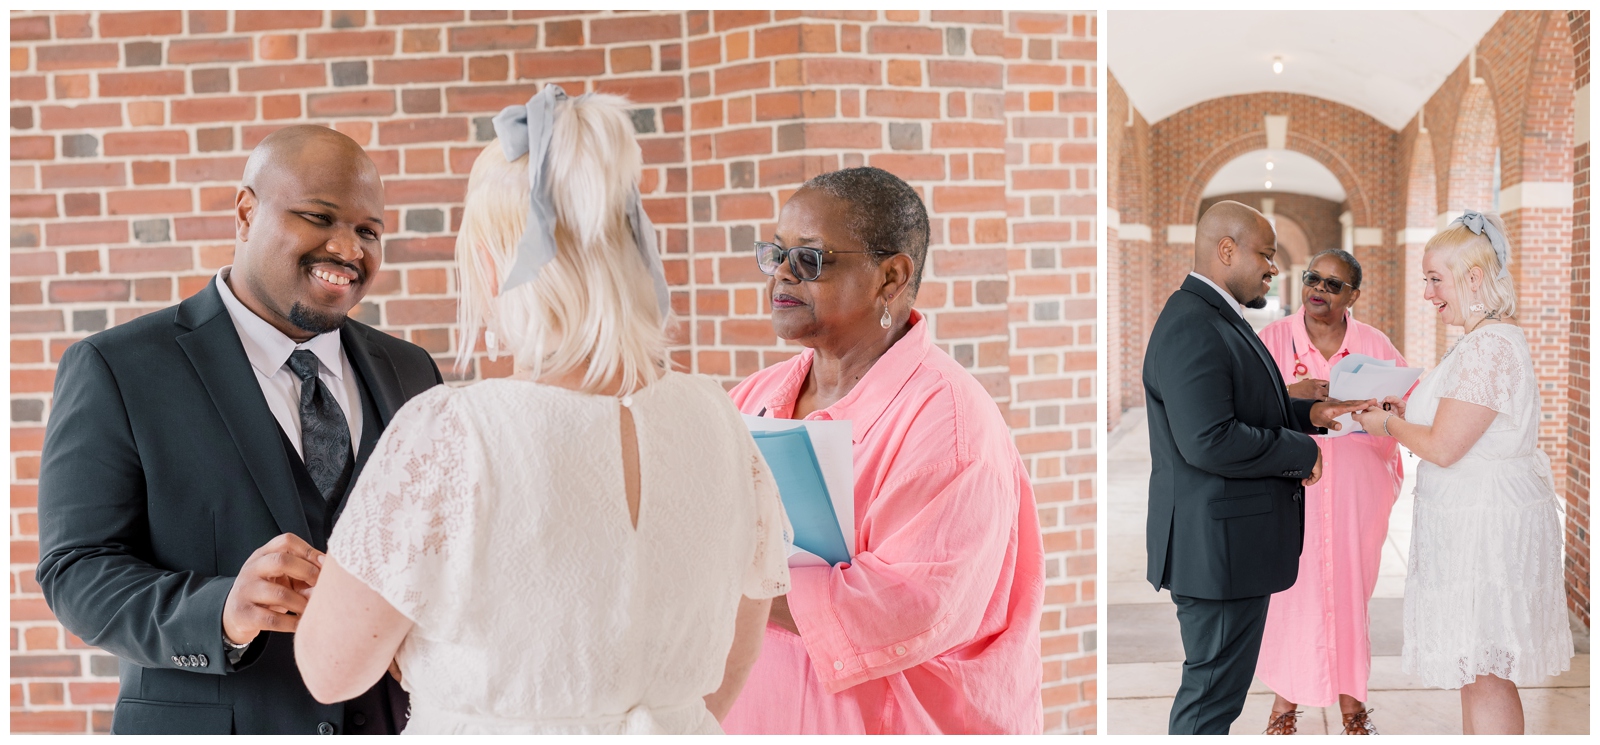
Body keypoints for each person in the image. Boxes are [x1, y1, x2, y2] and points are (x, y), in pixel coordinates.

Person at [292, 86, 790, 734]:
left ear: (496, 265)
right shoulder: (721, 421)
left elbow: (332, 669)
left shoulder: (454, 432)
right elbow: (727, 667)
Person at [35, 125, 441, 734]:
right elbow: (76, 569)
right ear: (247, 212)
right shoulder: (118, 368)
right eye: (318, 216)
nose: (348, 249)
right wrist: (220, 610)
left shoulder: (412, 370)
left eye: (368, 231)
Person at [718, 167, 1045, 734]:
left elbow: (906, 602)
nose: (781, 276)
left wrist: (719, 575)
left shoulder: (950, 423)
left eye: (811, 260)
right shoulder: (750, 399)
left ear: (891, 277)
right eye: (775, 253)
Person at [1143, 200, 1370, 735]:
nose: (1274, 267)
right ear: (1227, 250)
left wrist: (1309, 414)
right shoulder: (1192, 323)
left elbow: (1236, 408)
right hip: (1216, 551)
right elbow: (1208, 440)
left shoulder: (1217, 316)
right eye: (1266, 255)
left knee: (1218, 692)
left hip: (1228, 546)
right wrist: (1301, 453)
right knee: (1210, 700)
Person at [1352, 211, 1574, 735]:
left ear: (1473, 278)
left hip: (1486, 526)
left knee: (1488, 670)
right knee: (1477, 669)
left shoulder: (1491, 345)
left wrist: (1386, 424)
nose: (1428, 293)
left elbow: (1445, 447)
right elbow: (1455, 427)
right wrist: (1405, 416)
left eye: (1435, 279)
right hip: (1472, 518)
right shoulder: (1478, 341)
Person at [1255, 249, 1406, 735]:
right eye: (1312, 278)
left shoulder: (1375, 344)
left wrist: (1385, 408)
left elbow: (1406, 407)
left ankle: (1353, 708)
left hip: (1355, 495)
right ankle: (1283, 706)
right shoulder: (1270, 341)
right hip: (1293, 492)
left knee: (1348, 595)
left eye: (1333, 284)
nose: (1318, 288)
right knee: (1291, 596)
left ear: (1353, 296)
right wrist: (1292, 397)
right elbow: (1246, 411)